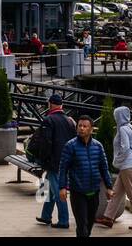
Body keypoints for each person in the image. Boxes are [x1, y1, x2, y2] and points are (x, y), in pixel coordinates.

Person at [57, 114, 114, 237]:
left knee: (89, 225)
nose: (82, 128)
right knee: (82, 224)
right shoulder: (70, 146)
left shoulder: (98, 146)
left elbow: (104, 168)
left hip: (94, 191)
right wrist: (62, 187)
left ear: (91, 129)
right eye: (80, 126)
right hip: (78, 192)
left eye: (85, 126)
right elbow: (63, 168)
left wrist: (109, 187)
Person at [99, 106, 132, 230]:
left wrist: (117, 161)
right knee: (116, 193)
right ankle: (108, 218)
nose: (115, 118)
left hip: (128, 165)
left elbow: (125, 148)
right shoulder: (130, 127)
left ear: (119, 116)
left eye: (116, 115)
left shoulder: (122, 129)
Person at [35, 93, 77, 229]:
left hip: (54, 162)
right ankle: (46, 215)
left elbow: (46, 143)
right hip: (67, 160)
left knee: (59, 191)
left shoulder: (48, 120)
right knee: (50, 189)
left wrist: (43, 161)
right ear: (61, 105)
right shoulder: (70, 121)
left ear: (50, 104)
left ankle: (64, 220)